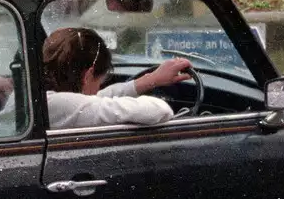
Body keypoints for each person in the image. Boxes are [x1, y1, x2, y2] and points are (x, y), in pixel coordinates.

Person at [42, 27, 193, 129]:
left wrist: (152, 79)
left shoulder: (46, 100)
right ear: (88, 76)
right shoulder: (57, 104)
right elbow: (159, 110)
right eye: (99, 82)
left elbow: (96, 100)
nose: (98, 89)